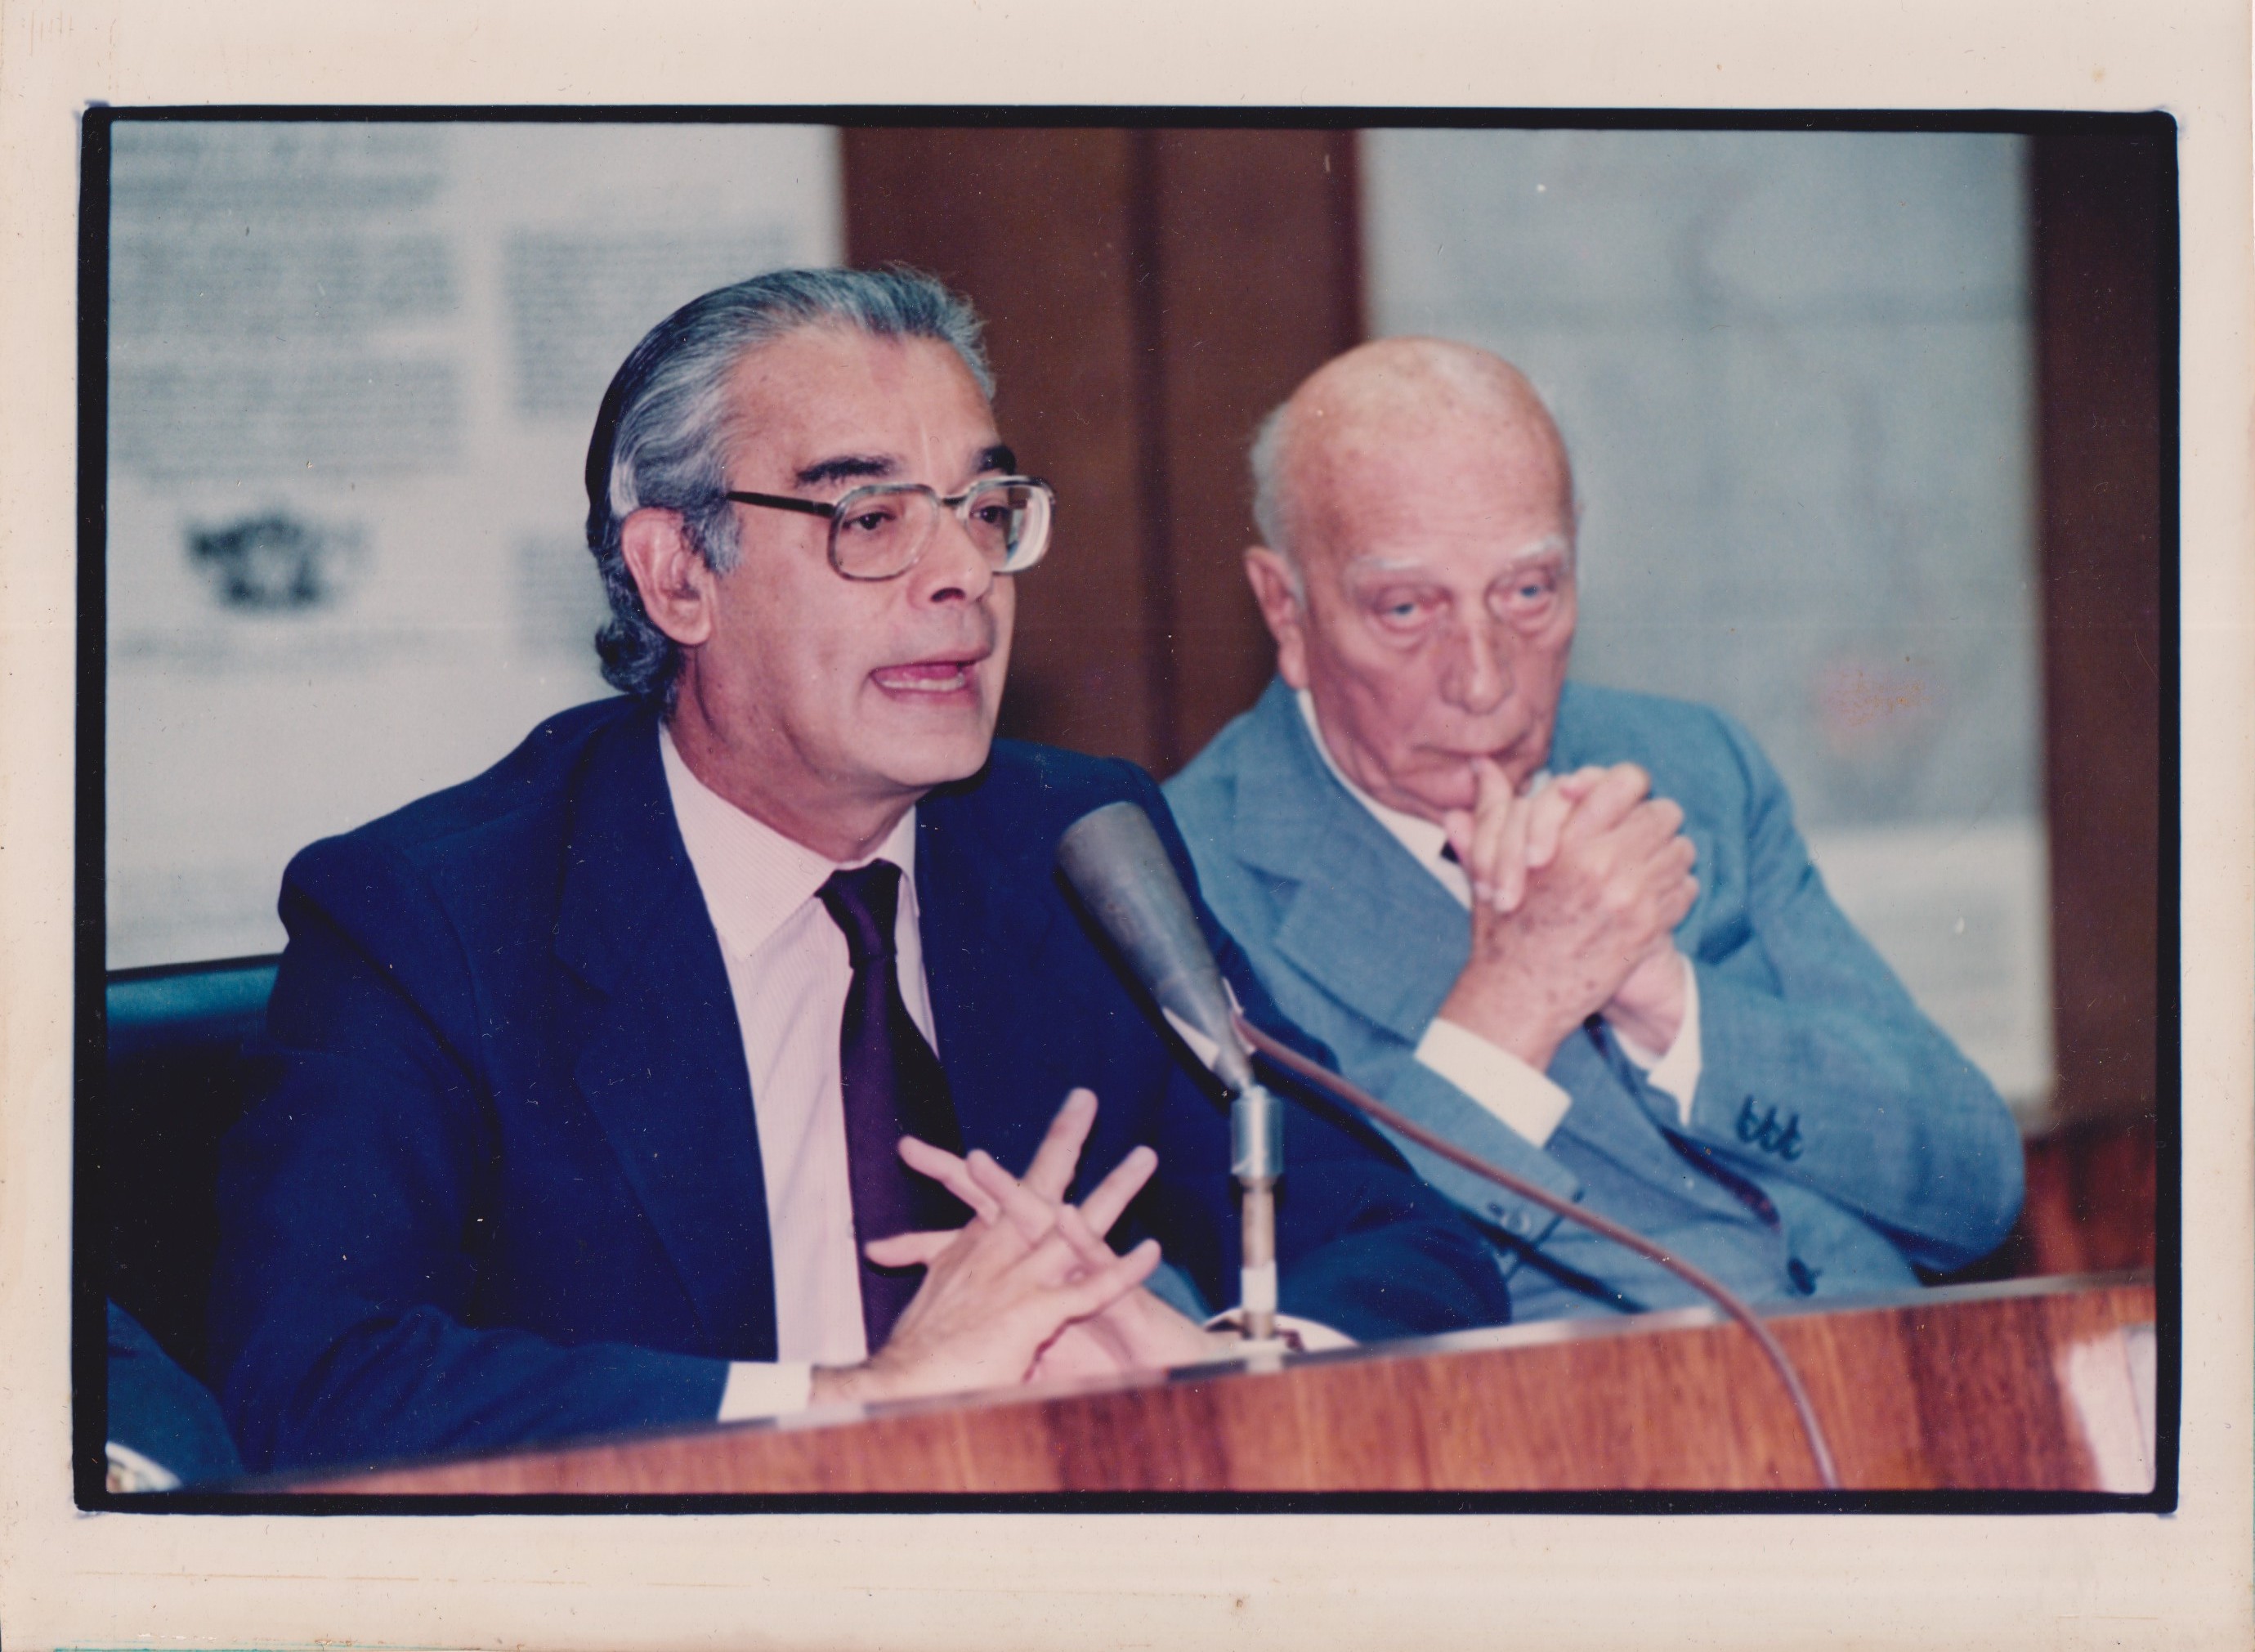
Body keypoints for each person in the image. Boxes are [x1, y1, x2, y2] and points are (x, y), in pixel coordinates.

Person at [208, 271, 1512, 1478]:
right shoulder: (431, 915)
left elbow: (1407, 1247)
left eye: (985, 512)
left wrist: (1212, 1361)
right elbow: (314, 1377)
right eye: (868, 518)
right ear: (676, 576)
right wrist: (854, 1401)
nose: (961, 578)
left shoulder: (1067, 845)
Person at [1163, 338, 2025, 1323]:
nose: (1483, 680)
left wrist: (1672, 1008)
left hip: (1896, 1397)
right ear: (1285, 607)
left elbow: (1975, 1184)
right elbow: (1292, 1319)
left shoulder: (1692, 764)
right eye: (1406, 608)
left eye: (1527, 593)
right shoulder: (1179, 884)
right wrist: (1512, 1007)